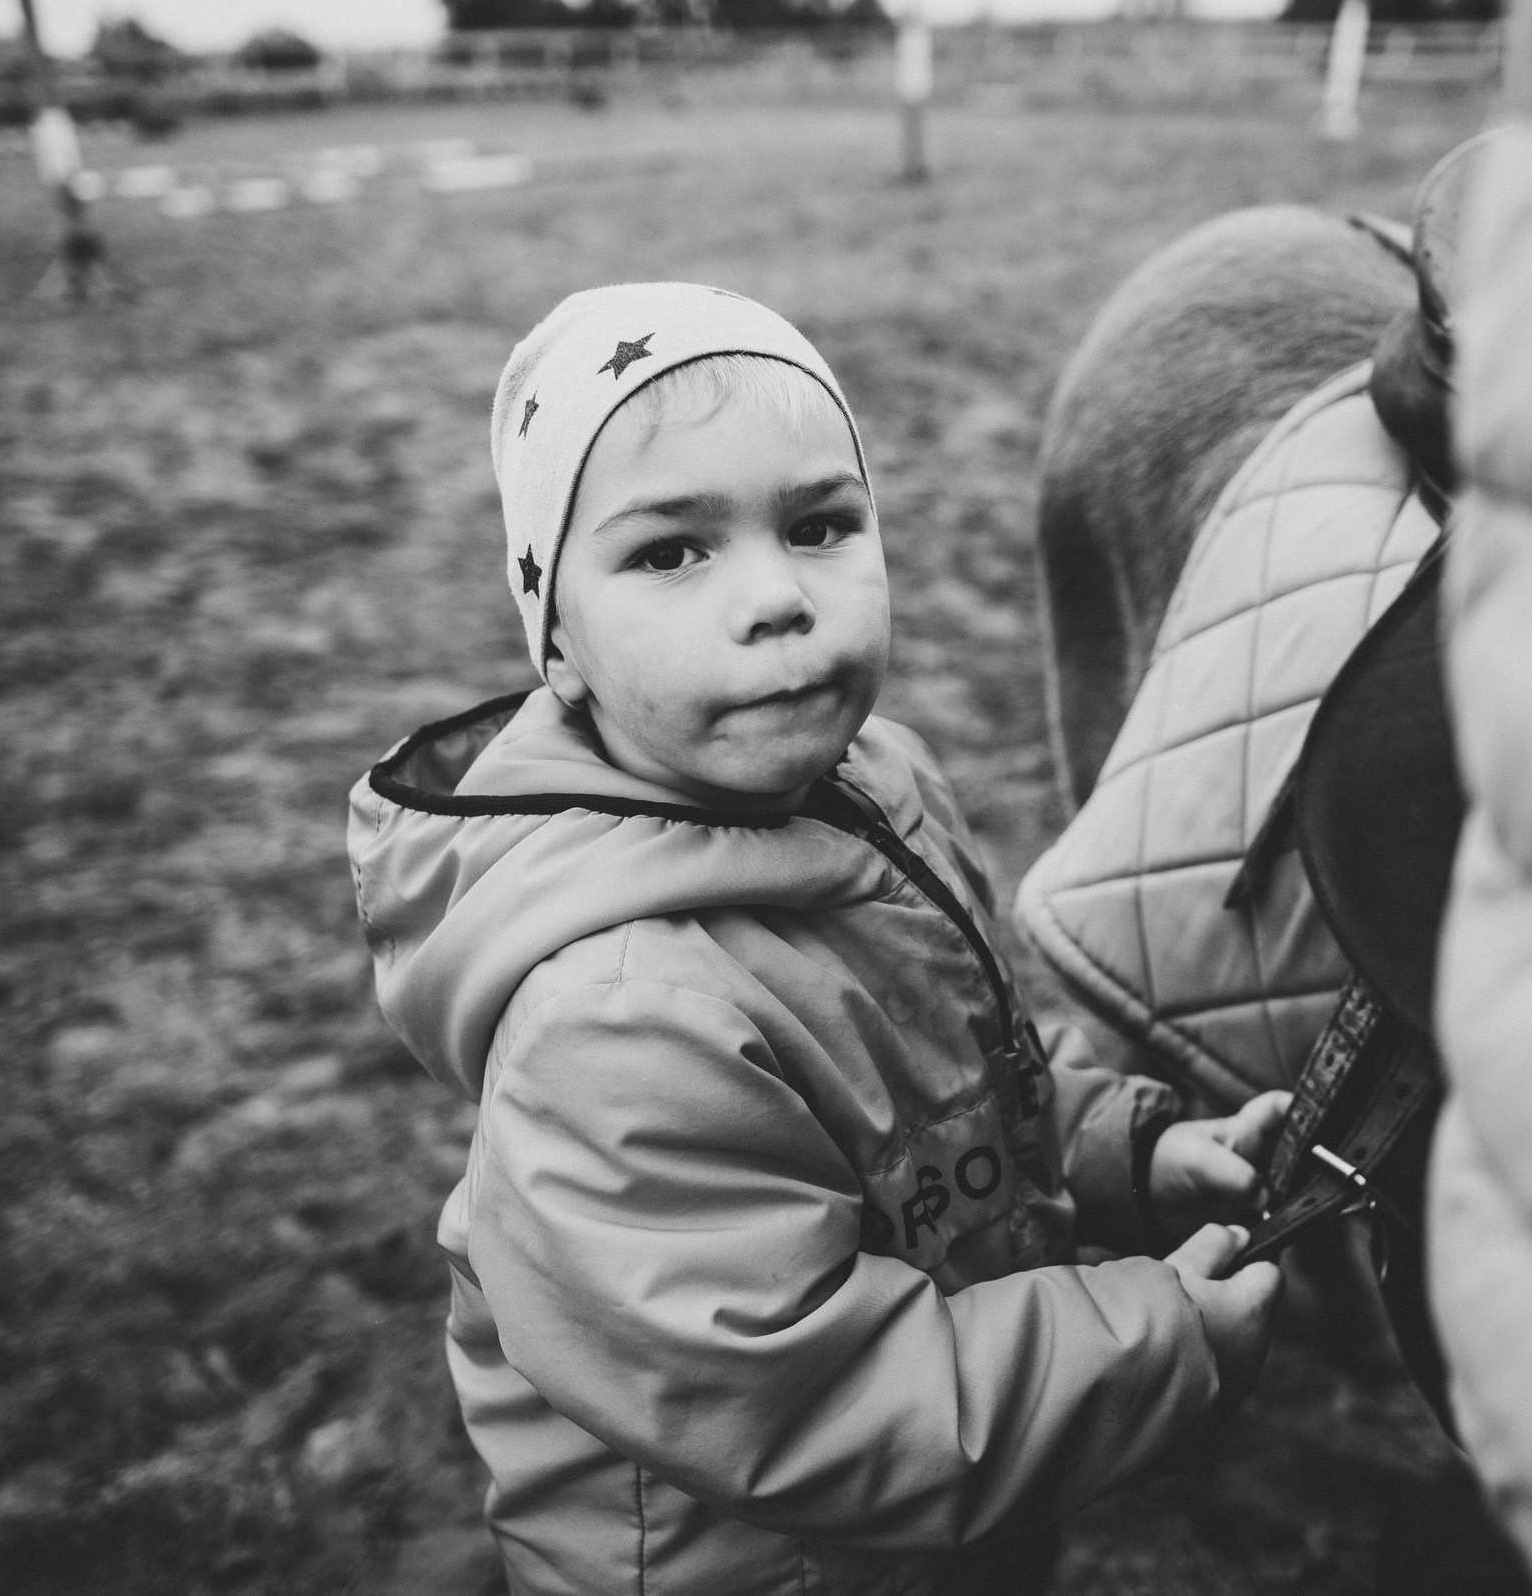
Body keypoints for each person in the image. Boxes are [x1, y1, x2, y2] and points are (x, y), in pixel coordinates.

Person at [346, 282, 1290, 1596]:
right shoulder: (620, 1021)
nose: (778, 596)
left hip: (946, 1506)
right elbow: (807, 1402)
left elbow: (939, 1085)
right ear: (556, 640)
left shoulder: (880, 786)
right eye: (672, 550)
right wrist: (1154, 1341)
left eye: (820, 524)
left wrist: (1129, 1151)